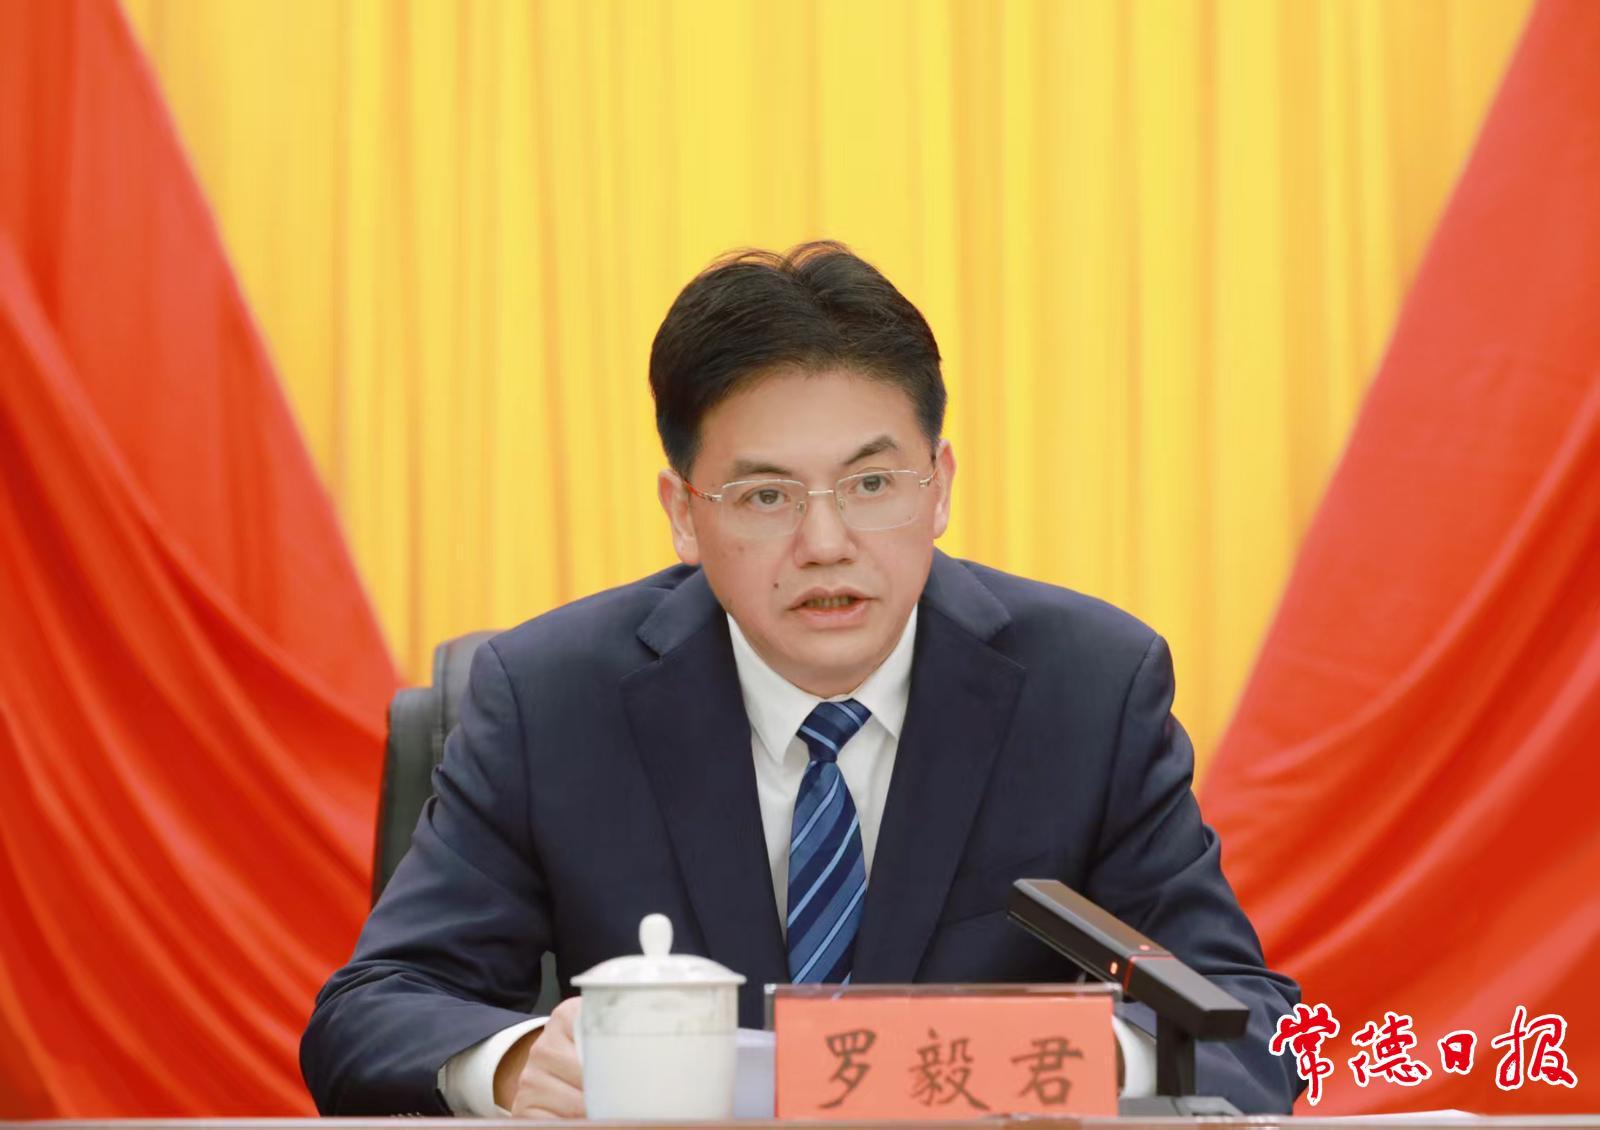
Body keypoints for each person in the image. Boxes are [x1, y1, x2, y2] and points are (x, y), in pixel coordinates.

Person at [300, 242, 1302, 1116]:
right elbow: (371, 1011)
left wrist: (1058, 1060)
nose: (825, 543)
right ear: (684, 514)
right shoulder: (551, 701)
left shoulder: (1086, 690)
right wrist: (521, 1063)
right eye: (765, 495)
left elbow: (1244, 1018)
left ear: (940, 487)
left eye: (872, 483)